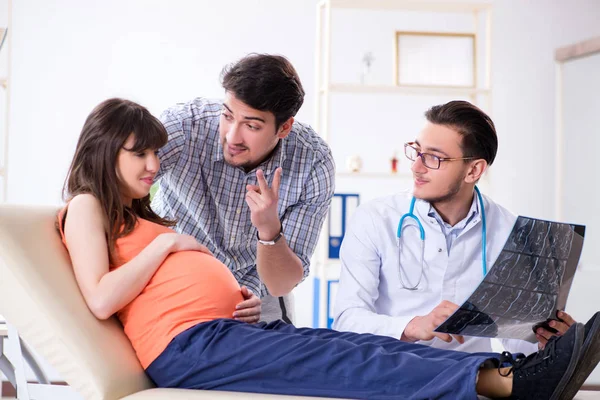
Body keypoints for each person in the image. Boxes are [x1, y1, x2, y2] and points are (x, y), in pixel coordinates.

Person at [58, 98, 599, 400]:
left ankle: (515, 371)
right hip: (191, 347)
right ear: (105, 151)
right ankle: (509, 387)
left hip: (219, 332)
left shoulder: (130, 214)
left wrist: (231, 295)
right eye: (140, 154)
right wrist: (172, 245)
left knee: (356, 348)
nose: (155, 165)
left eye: (156, 152)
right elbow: (102, 299)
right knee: (344, 354)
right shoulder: (86, 205)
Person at [333, 100, 578, 354]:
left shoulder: (512, 232)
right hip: (392, 372)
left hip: (472, 380)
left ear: (473, 170)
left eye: (433, 158)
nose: (416, 167)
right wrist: (411, 326)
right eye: (417, 151)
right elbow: (347, 319)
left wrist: (545, 339)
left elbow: (516, 337)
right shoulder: (375, 218)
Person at [151, 53, 335, 323]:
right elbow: (112, 184)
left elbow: (281, 284)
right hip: (177, 276)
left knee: (277, 360)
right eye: (227, 116)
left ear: (284, 128)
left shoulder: (313, 161)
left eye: (251, 125)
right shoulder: (185, 126)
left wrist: (269, 230)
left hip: (259, 293)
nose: (232, 136)